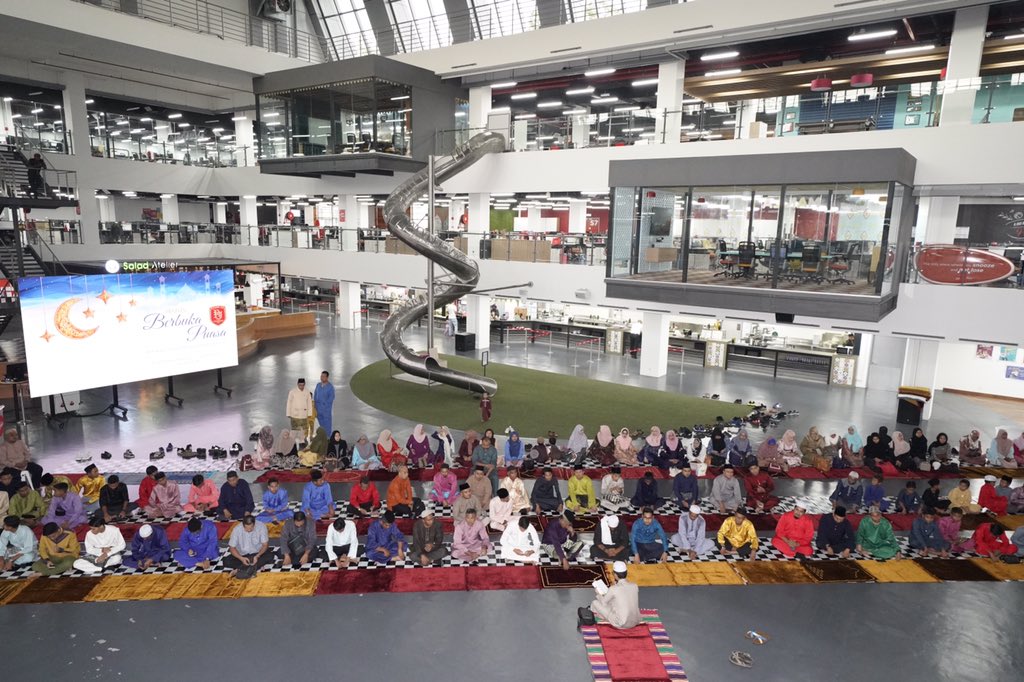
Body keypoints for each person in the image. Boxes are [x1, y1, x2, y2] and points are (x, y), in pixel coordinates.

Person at [584, 561, 641, 630]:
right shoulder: (634, 585)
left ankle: (604, 616)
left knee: (595, 603)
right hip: (635, 621)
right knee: (614, 602)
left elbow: (603, 603)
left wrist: (598, 593)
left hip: (621, 623)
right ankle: (604, 616)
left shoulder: (613, 589)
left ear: (615, 575)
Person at [286, 378, 314, 443]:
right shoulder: (292, 392)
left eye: (303, 385)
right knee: (294, 430)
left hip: (304, 415)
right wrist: (288, 413)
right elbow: (289, 403)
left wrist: (309, 414)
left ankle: (302, 442)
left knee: (303, 430)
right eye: (300, 385)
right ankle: (292, 443)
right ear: (297, 384)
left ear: (305, 384)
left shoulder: (307, 392)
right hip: (294, 415)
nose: (301, 387)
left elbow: (309, 403)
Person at [313, 371, 335, 435]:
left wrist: (325, 406)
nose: (321, 377)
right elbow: (315, 395)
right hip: (318, 409)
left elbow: (331, 398)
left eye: (323, 376)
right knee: (321, 426)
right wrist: (315, 405)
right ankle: (322, 439)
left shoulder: (330, 387)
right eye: (321, 376)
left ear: (327, 377)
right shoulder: (318, 385)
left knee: (327, 427)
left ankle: (328, 440)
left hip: (326, 411)